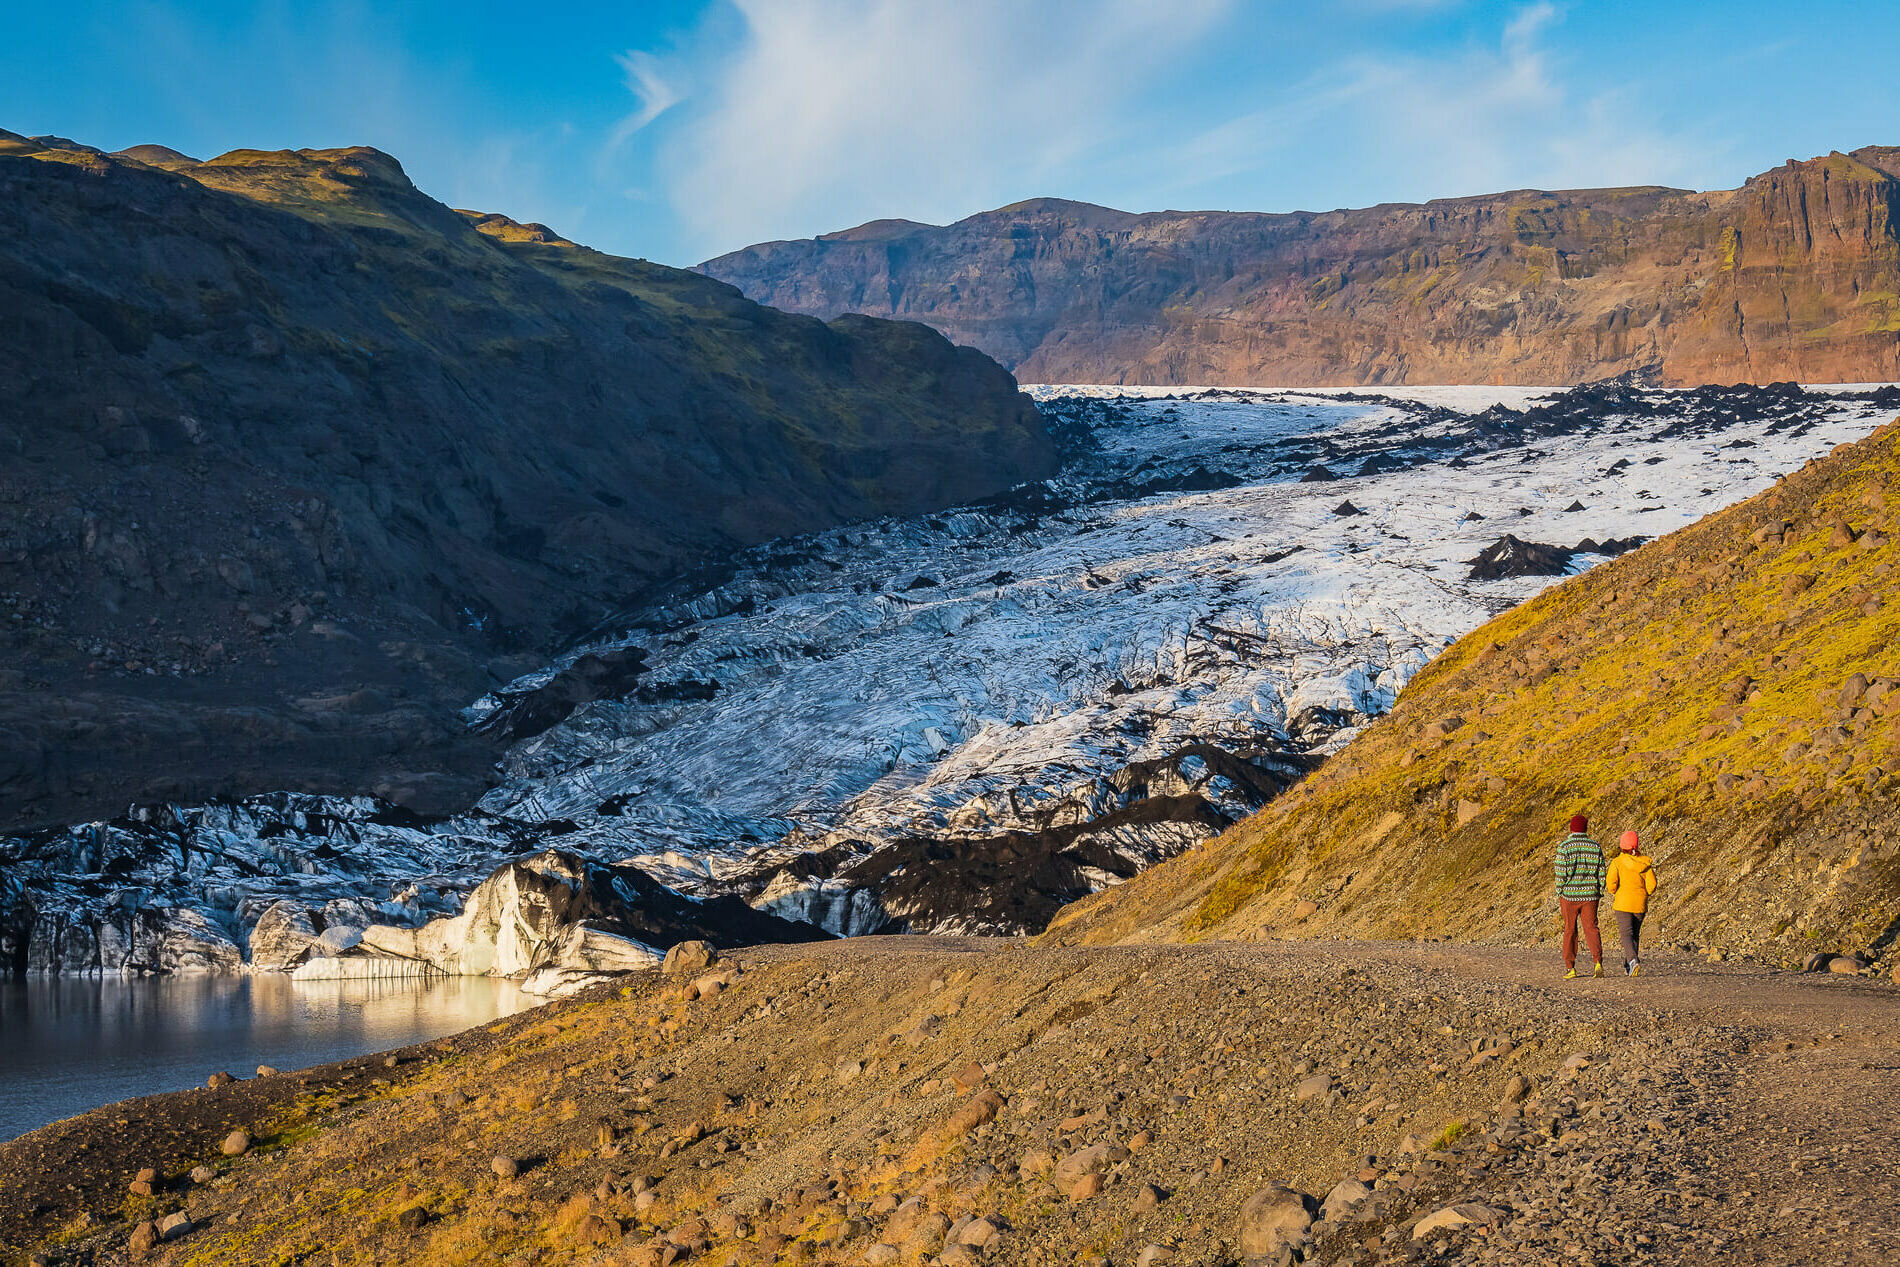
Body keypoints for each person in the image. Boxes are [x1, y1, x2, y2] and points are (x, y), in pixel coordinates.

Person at [1554, 813, 1605, 979]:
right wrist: (1600, 888)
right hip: (1591, 895)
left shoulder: (1564, 847)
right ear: (1585, 828)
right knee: (1591, 928)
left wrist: (1560, 890)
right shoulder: (1595, 846)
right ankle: (1597, 962)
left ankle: (1571, 967)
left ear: (1571, 827)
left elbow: (1560, 873)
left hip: (1569, 895)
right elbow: (1602, 871)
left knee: (1570, 929)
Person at [1606, 830, 1658, 975]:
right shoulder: (1644, 863)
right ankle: (1629, 966)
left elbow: (1611, 883)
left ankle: (1633, 961)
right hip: (1640, 904)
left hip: (1623, 903)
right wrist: (1644, 893)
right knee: (1635, 934)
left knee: (1626, 934)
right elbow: (1652, 885)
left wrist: (1614, 891)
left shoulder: (1617, 862)